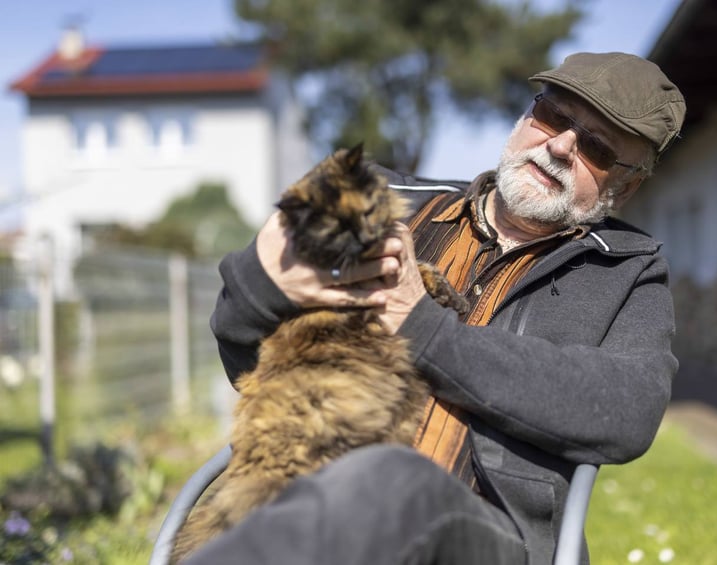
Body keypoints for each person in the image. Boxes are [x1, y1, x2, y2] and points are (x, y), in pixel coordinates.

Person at [188, 52, 686, 565]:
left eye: (597, 148)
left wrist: (422, 329)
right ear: (526, 116)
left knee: (392, 479)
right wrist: (266, 282)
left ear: (625, 185)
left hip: (482, 533)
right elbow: (239, 339)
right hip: (303, 492)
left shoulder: (627, 270)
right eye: (554, 117)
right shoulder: (386, 199)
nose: (559, 146)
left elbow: (628, 411)